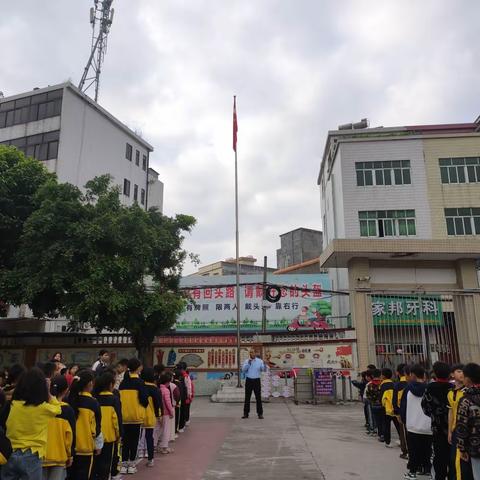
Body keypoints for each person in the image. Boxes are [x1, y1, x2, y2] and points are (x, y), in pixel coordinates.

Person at [2, 367, 61, 480]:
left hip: (10, 452)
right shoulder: (43, 408)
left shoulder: (13, 404)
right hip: (33, 454)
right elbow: (58, 408)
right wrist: (48, 392)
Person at [68, 369, 102, 480]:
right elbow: (96, 427)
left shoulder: (69, 399)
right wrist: (98, 444)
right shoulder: (93, 402)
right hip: (85, 447)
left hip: (69, 448)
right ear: (90, 383)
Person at [400, 364, 433, 479]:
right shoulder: (429, 388)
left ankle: (413, 471)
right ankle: (427, 469)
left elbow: (403, 406)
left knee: (413, 450)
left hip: (413, 425)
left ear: (412, 375)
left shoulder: (408, 389)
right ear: (423, 375)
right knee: (427, 449)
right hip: (428, 426)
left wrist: (403, 420)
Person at [421, 361, 452, 480]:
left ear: (435, 374)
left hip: (437, 427)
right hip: (452, 427)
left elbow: (425, 407)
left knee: (439, 455)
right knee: (452, 455)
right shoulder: (453, 388)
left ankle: (440, 476)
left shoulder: (430, 388)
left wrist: (434, 415)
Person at [118, 358, 148, 475]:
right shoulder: (140, 382)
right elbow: (144, 400)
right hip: (135, 416)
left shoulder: (123, 383)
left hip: (124, 416)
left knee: (125, 441)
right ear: (138, 368)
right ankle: (131, 464)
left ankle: (124, 463)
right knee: (134, 441)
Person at [43, 375, 76, 480]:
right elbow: (70, 435)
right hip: (59, 456)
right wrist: (70, 455)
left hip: (41, 455)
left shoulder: (42, 407)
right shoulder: (67, 410)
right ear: (66, 390)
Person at [92, 371, 122, 480]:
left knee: (96, 463)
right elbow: (116, 419)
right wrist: (119, 434)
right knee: (107, 463)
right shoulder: (114, 399)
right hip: (109, 436)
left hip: (95, 435)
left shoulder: (95, 398)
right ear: (110, 385)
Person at [448, 364, 473, 480]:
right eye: (458, 371)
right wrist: (449, 431)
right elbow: (451, 412)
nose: (461, 373)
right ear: (452, 374)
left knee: (462, 461)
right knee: (454, 459)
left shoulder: (468, 392)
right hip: (455, 431)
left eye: (463, 372)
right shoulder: (450, 393)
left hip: (465, 431)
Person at [456, 363, 480, 479]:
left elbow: (462, 426)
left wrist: (462, 448)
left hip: (475, 447)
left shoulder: (466, 400)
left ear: (468, 379)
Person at [381, 367, 406, 453]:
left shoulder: (382, 385)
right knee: (399, 425)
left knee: (386, 425)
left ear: (383, 376)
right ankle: (402, 440)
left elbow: (382, 398)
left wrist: (384, 405)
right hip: (396, 409)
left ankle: (388, 442)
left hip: (387, 409)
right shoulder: (394, 384)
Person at [141, 367, 162, 467]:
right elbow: (158, 404)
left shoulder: (140, 387)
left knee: (137, 437)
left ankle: (136, 455)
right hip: (149, 416)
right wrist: (159, 416)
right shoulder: (155, 389)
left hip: (138, 416)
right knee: (149, 437)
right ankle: (150, 459)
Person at [242, 349, 267, 420]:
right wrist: (248, 364)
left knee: (258, 398)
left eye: (253, 352)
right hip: (249, 380)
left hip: (256, 380)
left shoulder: (260, 361)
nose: (251, 354)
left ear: (255, 354)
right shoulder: (247, 361)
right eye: (250, 352)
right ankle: (246, 413)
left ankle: (260, 414)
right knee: (247, 397)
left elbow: (263, 370)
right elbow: (243, 370)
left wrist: (264, 364)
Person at [393, 363, 409, 459]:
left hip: (402, 412)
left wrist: (396, 412)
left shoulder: (398, 385)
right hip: (413, 412)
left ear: (398, 373)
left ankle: (406, 452)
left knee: (403, 432)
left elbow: (395, 400)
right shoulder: (411, 384)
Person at [365, 368, 383, 440]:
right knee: (382, 419)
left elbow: (367, 395)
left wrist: (371, 400)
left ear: (372, 375)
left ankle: (374, 430)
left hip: (373, 404)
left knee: (373, 417)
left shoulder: (370, 384)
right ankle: (382, 433)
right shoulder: (382, 383)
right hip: (382, 405)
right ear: (380, 375)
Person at [159, 373, 174, 455]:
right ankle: (164, 447)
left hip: (159, 413)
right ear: (167, 382)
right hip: (166, 413)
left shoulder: (158, 389)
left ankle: (155, 446)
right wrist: (171, 412)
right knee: (166, 430)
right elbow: (168, 403)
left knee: (157, 430)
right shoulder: (166, 390)